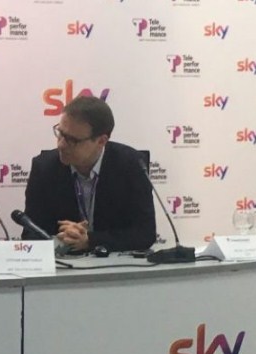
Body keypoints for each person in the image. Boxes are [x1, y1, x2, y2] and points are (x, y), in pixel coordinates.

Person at [22, 96, 156, 253]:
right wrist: (61, 238)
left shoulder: (131, 165)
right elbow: (30, 233)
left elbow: (145, 233)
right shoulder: (44, 167)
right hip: (63, 264)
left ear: (101, 141)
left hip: (113, 264)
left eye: (72, 140)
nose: (61, 145)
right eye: (60, 133)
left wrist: (90, 240)